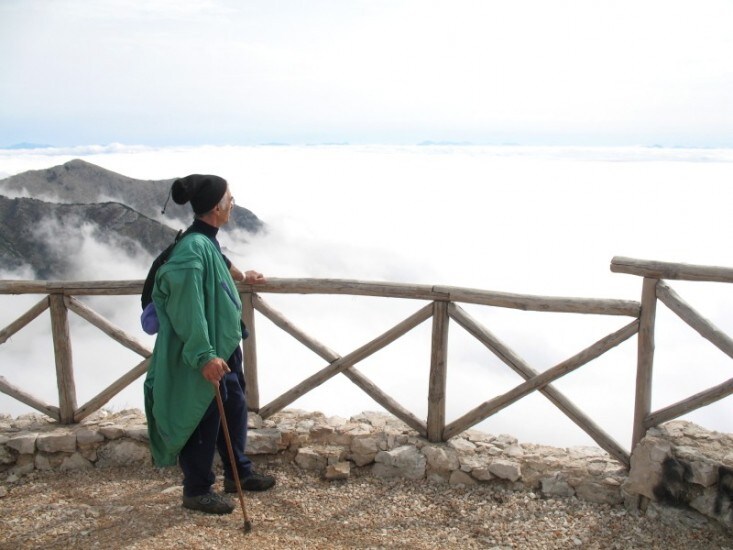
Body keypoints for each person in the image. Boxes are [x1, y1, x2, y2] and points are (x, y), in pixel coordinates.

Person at [144, 174, 275, 515]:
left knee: (230, 408)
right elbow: (189, 309)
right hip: (206, 351)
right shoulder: (190, 252)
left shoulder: (204, 241)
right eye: (230, 198)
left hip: (223, 346)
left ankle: (237, 473)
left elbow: (218, 260)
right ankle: (197, 489)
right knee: (203, 414)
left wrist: (243, 275)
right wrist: (204, 356)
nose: (233, 202)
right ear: (217, 206)